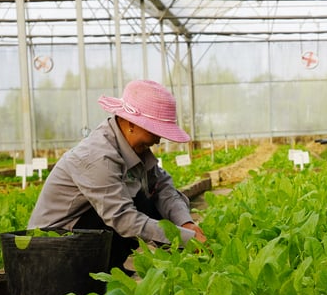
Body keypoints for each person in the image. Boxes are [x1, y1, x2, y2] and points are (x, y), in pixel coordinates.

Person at [28, 79, 207, 274]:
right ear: (131, 124)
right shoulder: (97, 156)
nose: (158, 139)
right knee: (138, 205)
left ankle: (119, 270)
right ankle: (99, 273)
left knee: (151, 200)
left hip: (81, 239)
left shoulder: (135, 148)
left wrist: (185, 223)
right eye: (154, 130)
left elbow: (163, 187)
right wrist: (185, 239)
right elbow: (123, 219)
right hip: (52, 252)